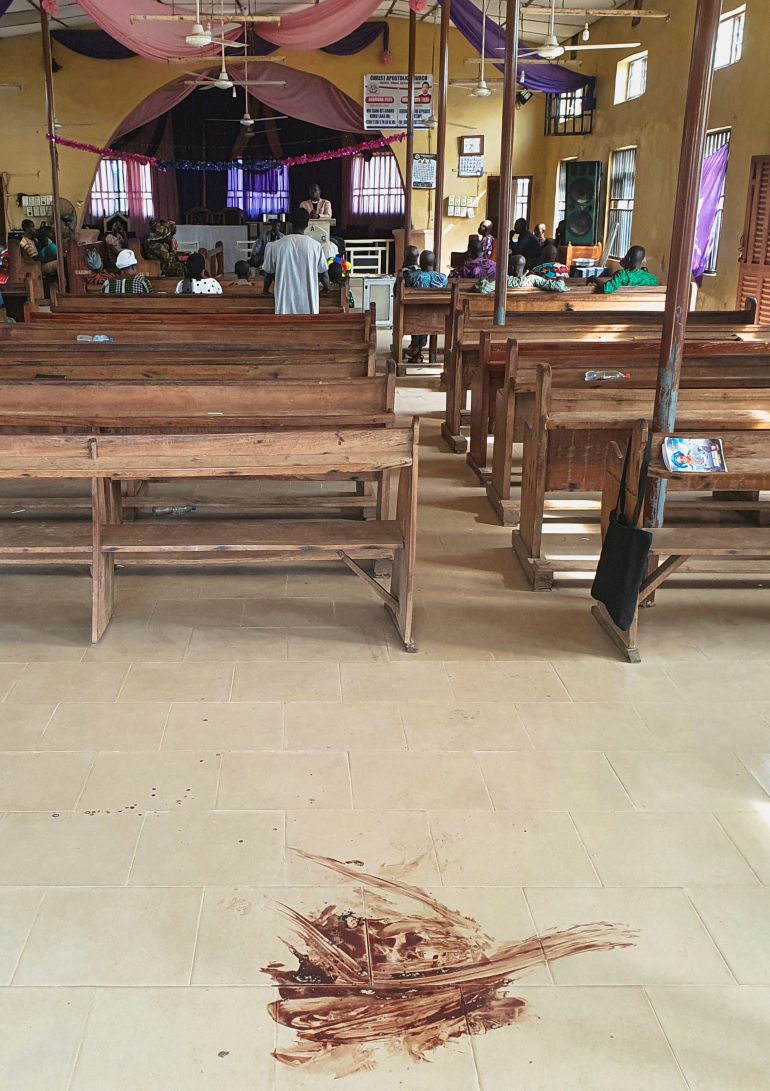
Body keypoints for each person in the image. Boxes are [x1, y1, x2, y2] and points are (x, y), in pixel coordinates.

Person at [262, 207, 330, 315]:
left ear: (289, 223)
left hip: (284, 307)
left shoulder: (274, 246)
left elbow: (268, 274)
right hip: (309, 307)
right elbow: (323, 274)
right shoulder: (315, 246)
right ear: (307, 224)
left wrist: (265, 290)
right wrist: (327, 289)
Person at [403, 250, 449, 363]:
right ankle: (419, 348)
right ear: (433, 263)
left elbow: (397, 290)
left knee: (417, 314)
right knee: (427, 316)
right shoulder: (443, 278)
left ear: (420, 263)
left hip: (414, 317)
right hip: (436, 318)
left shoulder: (413, 277)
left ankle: (416, 348)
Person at [478, 253, 568, 294]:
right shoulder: (533, 279)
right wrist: (560, 275)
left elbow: (484, 288)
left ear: (511, 268)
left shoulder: (504, 280)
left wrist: (482, 280)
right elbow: (560, 287)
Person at [591, 245, 659, 293]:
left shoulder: (622, 275)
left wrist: (594, 278)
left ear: (628, 259)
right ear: (642, 260)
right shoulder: (653, 279)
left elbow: (607, 288)